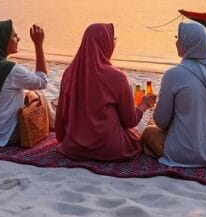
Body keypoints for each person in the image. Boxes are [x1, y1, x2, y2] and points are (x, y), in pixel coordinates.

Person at [141, 21, 206, 167]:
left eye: (178, 38)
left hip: (189, 153)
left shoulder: (174, 75)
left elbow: (161, 122)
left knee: (148, 133)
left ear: (188, 43)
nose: (177, 42)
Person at [55, 23, 156, 161]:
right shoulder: (117, 77)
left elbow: (60, 120)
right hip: (111, 149)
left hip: (74, 148)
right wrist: (144, 104)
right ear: (105, 42)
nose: (114, 43)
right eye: (113, 39)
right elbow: (130, 121)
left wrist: (65, 140)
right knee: (140, 131)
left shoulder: (68, 73)